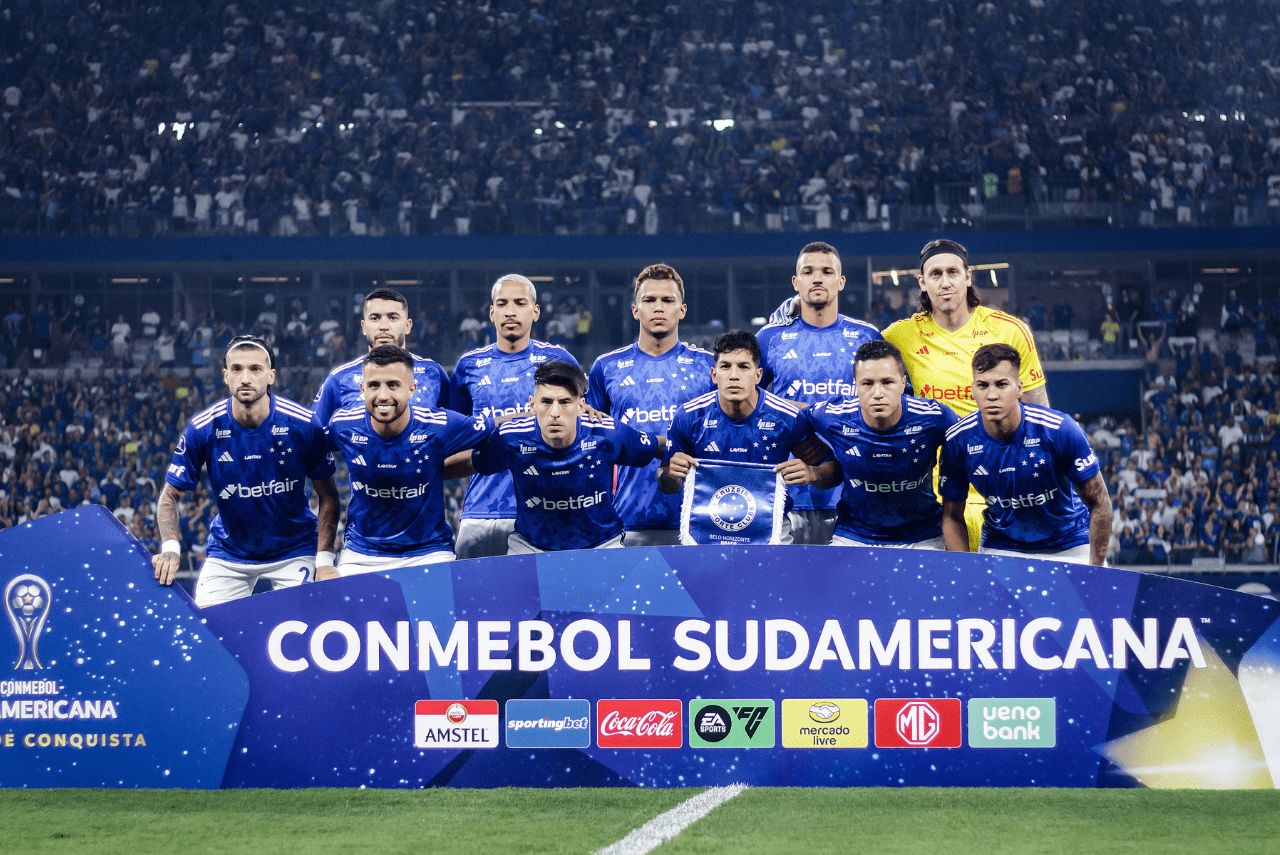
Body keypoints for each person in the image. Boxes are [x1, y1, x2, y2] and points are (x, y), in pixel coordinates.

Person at [882, 238, 1049, 551]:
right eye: (935, 274)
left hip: (1001, 490)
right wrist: (796, 311)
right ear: (922, 282)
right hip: (935, 496)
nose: (945, 283)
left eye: (952, 272)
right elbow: (859, 363)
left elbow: (1041, 415)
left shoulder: (1010, 331)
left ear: (968, 276)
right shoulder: (900, 336)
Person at [152, 335, 339, 606]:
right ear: (226, 376)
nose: (245, 378)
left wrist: (323, 560)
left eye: (255, 369)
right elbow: (170, 496)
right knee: (209, 634)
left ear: (271, 376)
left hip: (295, 549)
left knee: (309, 625)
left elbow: (329, 495)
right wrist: (170, 548)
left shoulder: (304, 424)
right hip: (229, 554)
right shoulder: (203, 427)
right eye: (237, 369)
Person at [457, 361, 665, 552]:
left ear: (581, 406)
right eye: (546, 402)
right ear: (532, 405)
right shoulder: (509, 438)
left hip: (602, 544)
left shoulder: (609, 433)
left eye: (565, 402)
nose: (555, 412)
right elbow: (473, 463)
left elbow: (661, 445)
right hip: (530, 546)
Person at [657, 329, 840, 543]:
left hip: (771, 532)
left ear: (758, 375)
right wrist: (672, 475)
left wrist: (813, 473)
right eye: (725, 366)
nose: (734, 375)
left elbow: (834, 471)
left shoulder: (787, 417)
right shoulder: (688, 416)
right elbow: (665, 481)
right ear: (714, 375)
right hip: (705, 531)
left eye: (743, 367)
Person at [938, 344, 1112, 565]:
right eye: (983, 385)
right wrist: (966, 570)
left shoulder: (1059, 429)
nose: (991, 394)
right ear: (972, 390)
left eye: (1002, 384)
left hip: (1071, 542)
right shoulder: (957, 440)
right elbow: (952, 516)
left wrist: (1095, 569)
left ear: (1019, 388)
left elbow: (1100, 503)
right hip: (1002, 545)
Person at [756, 241, 882, 545]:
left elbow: (890, 407)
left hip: (856, 494)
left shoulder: (867, 336)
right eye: (808, 271)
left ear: (840, 282)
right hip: (787, 494)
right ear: (795, 282)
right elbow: (749, 405)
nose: (817, 278)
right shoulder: (769, 339)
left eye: (827, 271)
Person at [323, 345, 488, 574]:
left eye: (393, 385)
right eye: (374, 385)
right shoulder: (342, 425)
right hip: (361, 553)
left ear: (412, 389)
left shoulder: (439, 425)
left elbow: (498, 429)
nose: (382, 395)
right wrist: (322, 560)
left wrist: (538, 419)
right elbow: (307, 448)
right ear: (362, 389)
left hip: (430, 551)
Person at [449, 274, 578, 558]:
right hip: (481, 513)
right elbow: (453, 444)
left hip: (547, 511)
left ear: (536, 311)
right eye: (502, 304)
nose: (510, 311)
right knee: (473, 601)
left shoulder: (560, 361)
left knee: (542, 601)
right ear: (491, 313)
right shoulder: (467, 367)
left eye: (520, 303)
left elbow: (584, 434)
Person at [586, 263, 714, 546]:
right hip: (625, 520)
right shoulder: (606, 367)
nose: (659, 307)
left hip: (699, 521)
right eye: (649, 300)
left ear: (682, 310)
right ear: (636, 310)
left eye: (668, 300)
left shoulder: (709, 367)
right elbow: (591, 445)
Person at [802, 340, 958, 548]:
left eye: (887, 382)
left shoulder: (935, 416)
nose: (877, 393)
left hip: (923, 535)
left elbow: (973, 435)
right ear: (855, 385)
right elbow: (790, 414)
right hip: (854, 535)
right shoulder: (834, 416)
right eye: (867, 383)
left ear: (903, 384)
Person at [311, 287, 450, 427]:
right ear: (364, 327)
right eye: (375, 318)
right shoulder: (339, 378)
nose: (384, 326)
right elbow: (312, 436)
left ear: (407, 326)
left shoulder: (433, 373)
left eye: (393, 317)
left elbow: (460, 436)